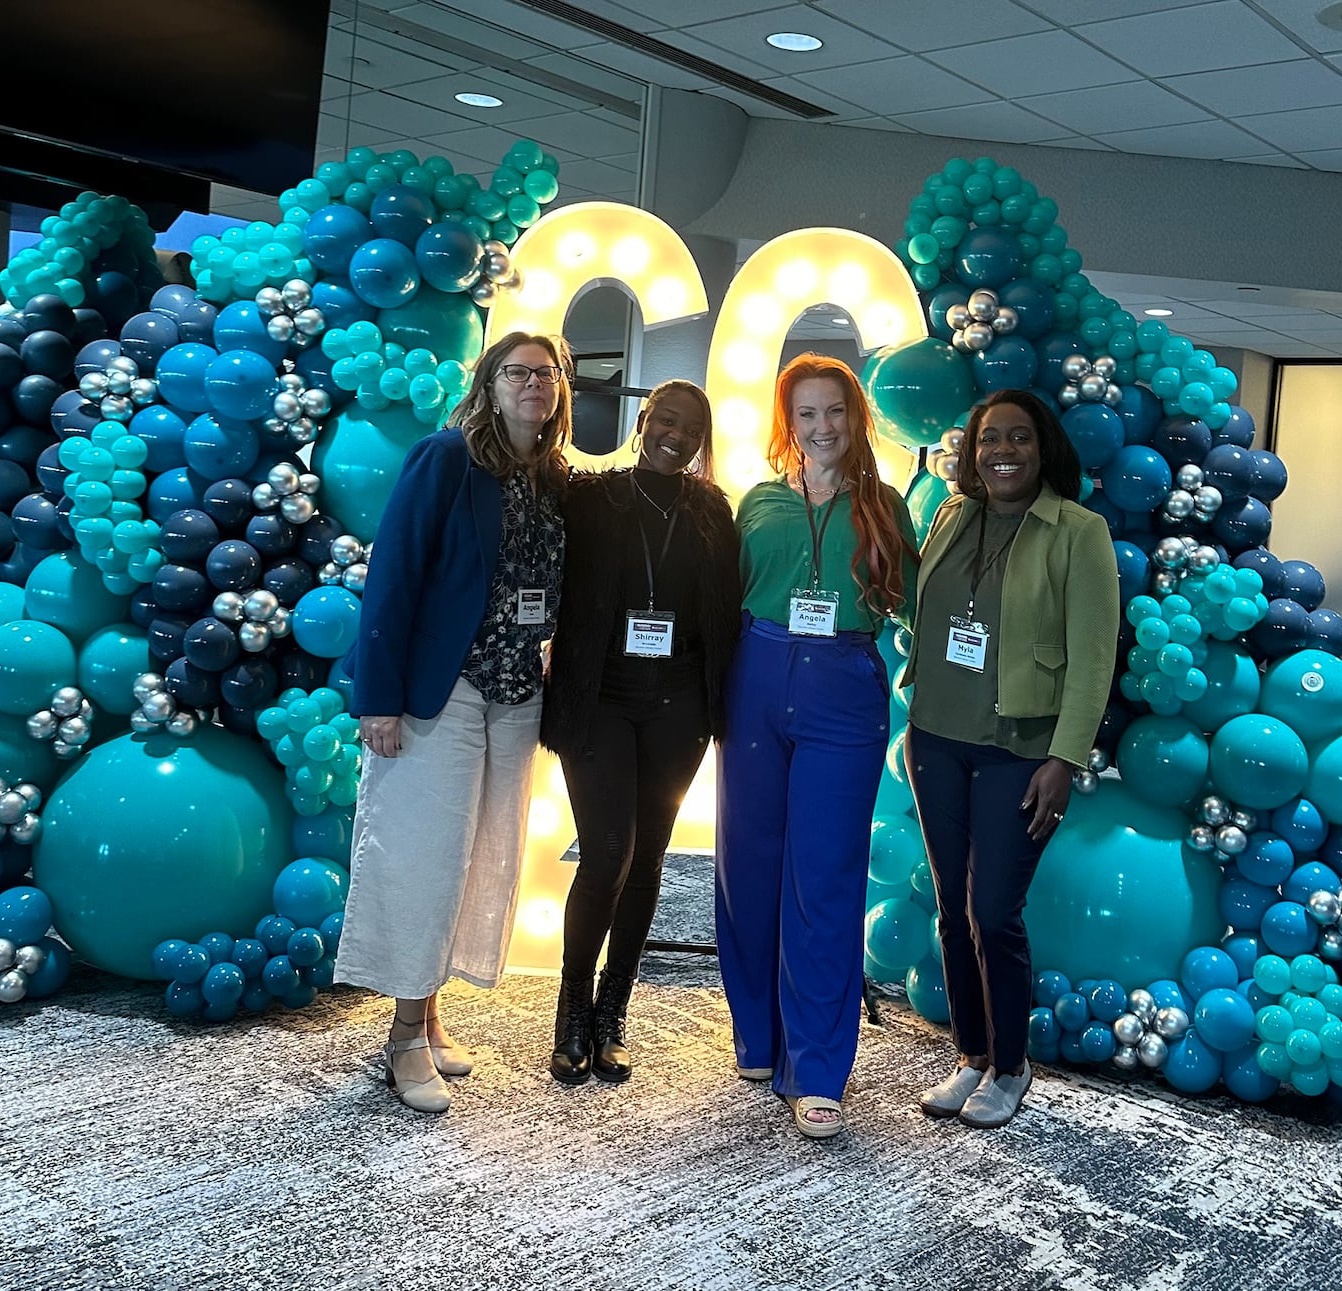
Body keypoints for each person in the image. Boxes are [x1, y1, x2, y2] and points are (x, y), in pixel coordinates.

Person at [335, 331, 573, 1114]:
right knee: (427, 857)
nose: (534, 384)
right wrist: (378, 695)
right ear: (490, 383)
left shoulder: (552, 477)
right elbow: (393, 576)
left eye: (547, 373)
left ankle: (430, 1012)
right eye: (518, 372)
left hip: (516, 691)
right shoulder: (447, 457)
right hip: (445, 686)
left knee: (478, 855)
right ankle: (402, 1036)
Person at [902, 389, 1118, 1129]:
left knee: (993, 910)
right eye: (990, 438)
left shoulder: (1078, 532)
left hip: (1020, 752)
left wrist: (1064, 757)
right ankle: (970, 1054)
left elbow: (1093, 662)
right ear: (972, 451)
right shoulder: (952, 514)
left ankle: (1012, 1065)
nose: (1002, 450)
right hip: (934, 737)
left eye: (1019, 437)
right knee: (952, 913)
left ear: (1042, 446)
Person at [715, 352, 918, 1139]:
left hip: (842, 690)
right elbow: (719, 599)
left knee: (825, 877)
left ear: (855, 417)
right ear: (786, 422)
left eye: (834, 410)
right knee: (749, 866)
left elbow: (916, 606)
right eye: (806, 413)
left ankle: (819, 1065)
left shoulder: (885, 507)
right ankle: (759, 1034)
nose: (821, 426)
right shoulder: (758, 503)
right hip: (756, 678)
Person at [541, 380, 740, 1086]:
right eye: (666, 420)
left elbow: (728, 615)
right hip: (599, 698)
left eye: (691, 427)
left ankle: (611, 1012)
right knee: (606, 856)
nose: (676, 435)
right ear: (642, 421)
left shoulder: (714, 509)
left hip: (678, 706)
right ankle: (571, 1011)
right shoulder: (590, 498)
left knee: (650, 858)